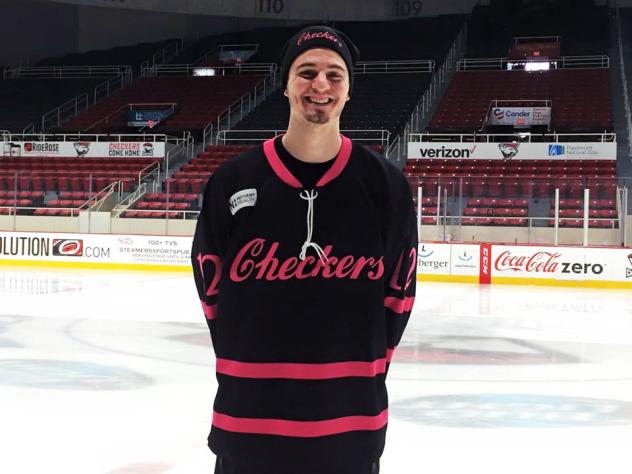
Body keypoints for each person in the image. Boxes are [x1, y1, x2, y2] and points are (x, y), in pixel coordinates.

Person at [192, 25, 417, 474]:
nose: (320, 85)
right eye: (306, 71)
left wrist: (360, 375)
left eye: (335, 75)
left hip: (351, 428)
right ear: (286, 85)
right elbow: (212, 294)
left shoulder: (385, 186)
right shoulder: (233, 182)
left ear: (349, 90)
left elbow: (398, 297)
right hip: (247, 423)